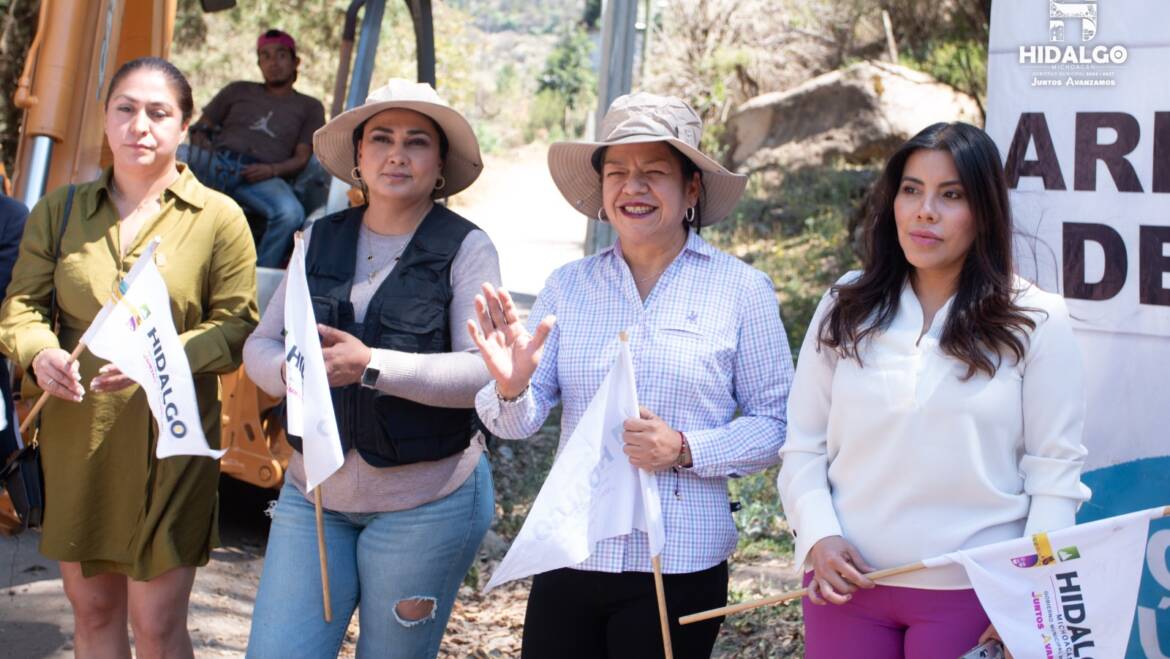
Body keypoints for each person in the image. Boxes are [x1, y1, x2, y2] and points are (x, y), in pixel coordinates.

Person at [470, 92, 792, 658]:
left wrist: (686, 447)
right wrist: (511, 386)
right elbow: (518, 422)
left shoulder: (741, 290)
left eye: (653, 173)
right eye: (617, 172)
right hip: (572, 553)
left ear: (691, 188)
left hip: (680, 563)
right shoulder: (568, 287)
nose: (632, 187)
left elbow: (780, 423)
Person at [776, 122, 1091, 659]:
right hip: (845, 590)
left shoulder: (1036, 319)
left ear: (985, 211)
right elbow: (803, 446)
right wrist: (819, 537)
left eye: (951, 195)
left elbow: (1055, 476)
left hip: (975, 596)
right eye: (911, 190)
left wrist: (1025, 596)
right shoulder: (845, 305)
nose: (925, 211)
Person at [0, 57, 258, 658]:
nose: (140, 125)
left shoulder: (220, 218)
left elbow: (237, 326)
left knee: (158, 622)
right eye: (126, 108)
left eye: (158, 112)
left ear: (184, 125)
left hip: (172, 437)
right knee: (92, 613)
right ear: (106, 117)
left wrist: (160, 356)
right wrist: (39, 355)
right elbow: (21, 309)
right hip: (77, 434)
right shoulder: (60, 211)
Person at [243, 78, 499, 658]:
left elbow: (482, 376)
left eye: (416, 141)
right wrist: (291, 372)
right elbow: (260, 345)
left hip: (426, 504)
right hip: (314, 499)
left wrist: (372, 366)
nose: (396, 153)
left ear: (439, 166)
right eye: (380, 138)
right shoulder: (315, 240)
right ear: (358, 157)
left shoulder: (467, 248)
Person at [183, 29, 327, 267]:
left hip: (262, 177)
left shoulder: (309, 106)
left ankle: (257, 277)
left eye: (281, 55)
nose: (273, 63)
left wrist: (270, 170)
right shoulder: (238, 90)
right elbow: (199, 128)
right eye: (265, 56)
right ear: (259, 63)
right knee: (173, 157)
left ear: (295, 61)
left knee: (291, 214)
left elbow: (302, 159)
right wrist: (204, 148)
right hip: (217, 163)